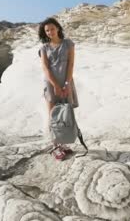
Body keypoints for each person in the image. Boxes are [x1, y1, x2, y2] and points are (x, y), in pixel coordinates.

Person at [38, 17, 79, 160]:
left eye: (52, 29)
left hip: (66, 81)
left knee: (65, 114)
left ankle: (63, 141)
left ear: (58, 29)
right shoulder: (44, 48)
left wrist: (66, 84)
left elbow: (71, 64)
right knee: (53, 115)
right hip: (50, 83)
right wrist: (56, 85)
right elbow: (45, 68)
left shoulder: (68, 44)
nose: (50, 32)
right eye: (47, 30)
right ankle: (56, 145)